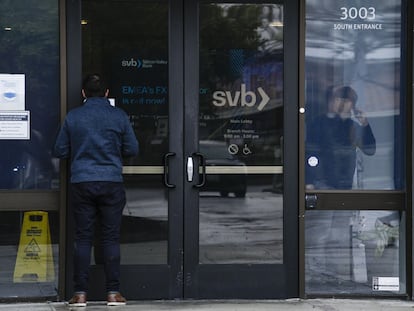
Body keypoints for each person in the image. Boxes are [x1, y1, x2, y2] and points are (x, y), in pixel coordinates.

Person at [53, 74, 139, 307]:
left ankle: (80, 294)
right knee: (110, 237)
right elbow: (132, 148)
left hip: (82, 181)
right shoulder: (118, 116)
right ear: (107, 93)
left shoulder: (73, 117)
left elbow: (60, 150)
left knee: (83, 238)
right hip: (111, 181)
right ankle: (113, 293)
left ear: (83, 93)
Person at [306, 85, 376, 190]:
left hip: (346, 183)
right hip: (322, 182)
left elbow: (370, 150)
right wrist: (309, 181)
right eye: (338, 99)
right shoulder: (318, 123)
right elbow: (309, 152)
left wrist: (365, 125)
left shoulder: (353, 126)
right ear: (332, 101)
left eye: (347, 101)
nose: (342, 104)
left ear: (352, 105)